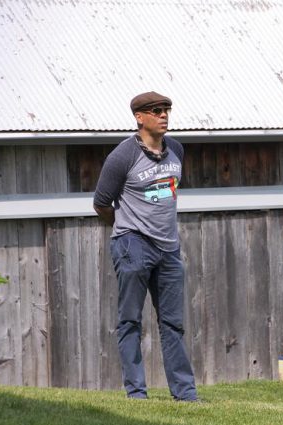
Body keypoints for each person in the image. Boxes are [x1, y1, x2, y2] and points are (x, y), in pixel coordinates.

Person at [93, 91, 198, 401]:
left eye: (166, 109)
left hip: (169, 249)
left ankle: (185, 393)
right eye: (156, 110)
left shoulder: (176, 150)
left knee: (173, 324)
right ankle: (137, 393)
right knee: (130, 320)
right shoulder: (122, 156)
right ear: (140, 117)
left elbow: (164, 194)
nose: (164, 115)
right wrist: (127, 226)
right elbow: (101, 203)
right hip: (133, 245)